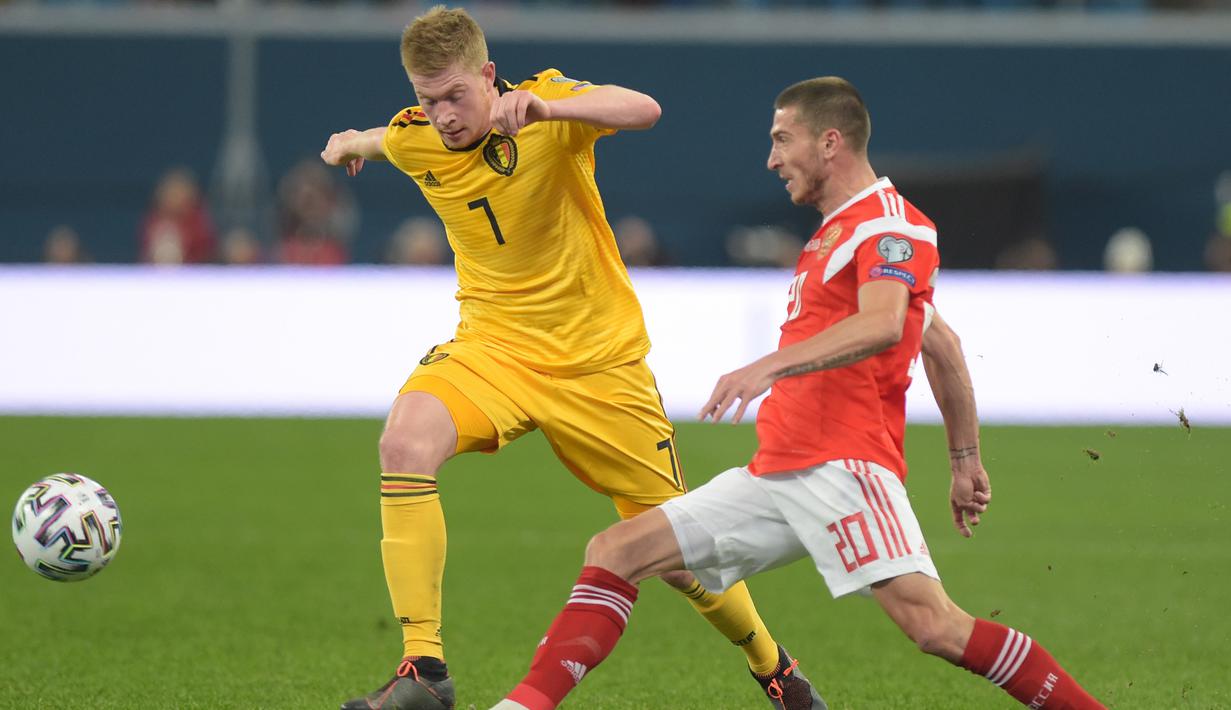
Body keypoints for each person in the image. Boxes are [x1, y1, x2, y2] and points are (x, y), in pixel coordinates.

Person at [489, 77, 1105, 710]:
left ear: (829, 142)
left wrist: (771, 365)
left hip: (843, 467)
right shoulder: (836, 232)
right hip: (781, 471)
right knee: (617, 550)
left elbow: (886, 323)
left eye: (783, 140)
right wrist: (964, 460)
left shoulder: (890, 226)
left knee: (935, 627)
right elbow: (940, 344)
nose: (772, 159)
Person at [319, 7, 824, 710]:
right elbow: (388, 139)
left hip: (599, 366)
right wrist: (350, 142)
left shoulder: (546, 110)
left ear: (488, 76)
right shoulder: (417, 136)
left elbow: (644, 109)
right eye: (428, 100)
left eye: (455, 96)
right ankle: (423, 670)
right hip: (493, 350)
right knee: (404, 442)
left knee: (676, 553)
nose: (444, 116)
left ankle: (773, 667)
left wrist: (549, 107)